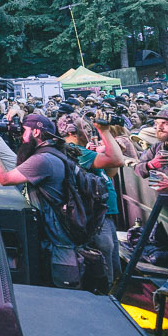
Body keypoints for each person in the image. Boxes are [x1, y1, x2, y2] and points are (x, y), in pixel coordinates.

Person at [0, 114, 82, 288]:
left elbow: (5, 179)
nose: (21, 136)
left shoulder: (42, 160)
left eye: (24, 131)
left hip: (59, 244)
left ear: (36, 132)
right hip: (60, 238)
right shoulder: (52, 152)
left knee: (63, 297)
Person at [55, 114, 124, 286]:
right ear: (72, 132)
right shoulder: (73, 149)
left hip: (104, 212)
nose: (89, 131)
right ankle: (108, 297)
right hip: (97, 215)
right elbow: (117, 160)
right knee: (106, 255)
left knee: (111, 257)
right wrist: (104, 131)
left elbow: (110, 172)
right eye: (85, 128)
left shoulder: (83, 151)